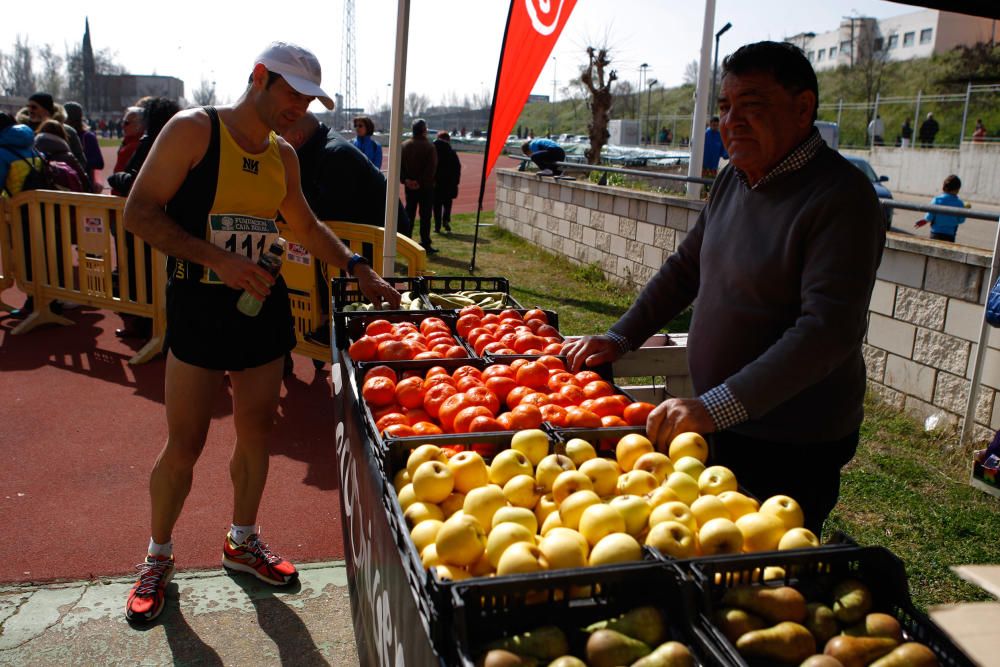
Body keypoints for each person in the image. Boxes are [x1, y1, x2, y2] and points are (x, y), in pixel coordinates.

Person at [120, 41, 400, 624]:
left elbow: (306, 223)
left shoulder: (284, 157)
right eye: (291, 93)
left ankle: (242, 541)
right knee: (186, 442)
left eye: (309, 98)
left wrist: (357, 267)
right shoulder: (193, 131)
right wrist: (217, 261)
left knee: (256, 432)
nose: (300, 106)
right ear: (258, 78)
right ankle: (157, 556)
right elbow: (139, 212)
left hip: (262, 309)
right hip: (198, 305)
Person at [563, 41, 885, 536]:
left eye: (750, 106)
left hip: (793, 438)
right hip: (722, 420)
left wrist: (715, 406)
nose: (730, 121)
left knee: (767, 561)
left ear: (803, 109)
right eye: (724, 107)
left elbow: (828, 331)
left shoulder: (841, 198)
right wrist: (621, 337)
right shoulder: (736, 176)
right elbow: (686, 267)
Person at [281, 110, 410, 346]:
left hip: (376, 236)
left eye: (280, 137)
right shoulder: (320, 147)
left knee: (322, 245)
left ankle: (339, 321)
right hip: (361, 228)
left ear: (297, 137)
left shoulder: (334, 155)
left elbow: (324, 215)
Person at [108, 97, 183, 340]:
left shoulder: (150, 141)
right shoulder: (181, 140)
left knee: (138, 272)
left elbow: (134, 181)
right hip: (170, 219)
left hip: (144, 218)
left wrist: (116, 178)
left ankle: (142, 323)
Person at [400, 118, 438, 253]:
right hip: (426, 188)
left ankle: (406, 241)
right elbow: (431, 169)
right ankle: (425, 243)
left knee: (409, 213)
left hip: (409, 187)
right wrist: (420, 182)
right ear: (424, 130)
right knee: (425, 216)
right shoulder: (429, 146)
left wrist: (406, 180)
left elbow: (399, 166)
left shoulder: (404, 145)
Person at [26, 92, 87, 169]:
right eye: (28, 107)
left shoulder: (68, 131)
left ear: (46, 110)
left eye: (34, 107)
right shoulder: (24, 131)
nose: (30, 110)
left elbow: (80, 161)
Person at [64, 101, 104, 190]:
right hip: (65, 183)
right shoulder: (60, 135)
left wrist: (78, 163)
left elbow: (99, 163)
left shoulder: (87, 137)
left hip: (83, 184)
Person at [915, 174, 966, 243]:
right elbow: (961, 220)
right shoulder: (959, 203)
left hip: (935, 233)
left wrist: (925, 220)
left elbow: (929, 217)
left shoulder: (937, 200)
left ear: (944, 187)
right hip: (950, 235)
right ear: (957, 189)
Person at [433, 131, 461, 234]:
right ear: (448, 140)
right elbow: (457, 168)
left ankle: (437, 226)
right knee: (447, 204)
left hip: (436, 183)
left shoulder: (433, 150)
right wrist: (456, 182)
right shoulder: (451, 152)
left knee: (436, 205)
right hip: (449, 183)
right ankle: (446, 220)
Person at [112, 107, 145, 184]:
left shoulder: (134, 146)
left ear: (139, 125)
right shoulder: (129, 142)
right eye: (123, 122)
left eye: (126, 123)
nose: (123, 126)